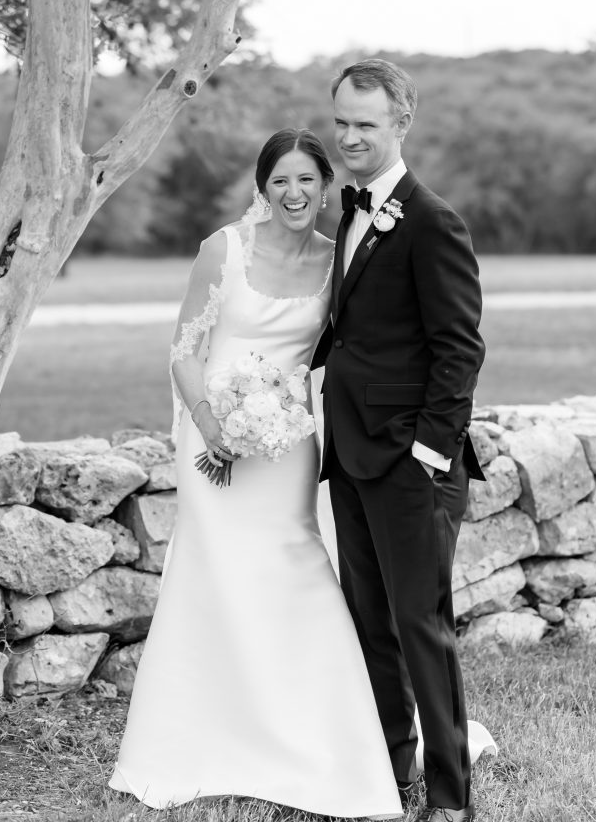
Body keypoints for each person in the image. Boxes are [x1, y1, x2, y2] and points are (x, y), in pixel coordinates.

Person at [109, 128, 403, 817]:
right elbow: (184, 351)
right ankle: (201, 738)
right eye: (280, 181)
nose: (294, 193)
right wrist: (213, 425)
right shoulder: (224, 249)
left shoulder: (338, 260)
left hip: (288, 444)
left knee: (297, 568)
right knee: (215, 573)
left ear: (326, 187)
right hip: (210, 438)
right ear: (262, 188)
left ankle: (321, 739)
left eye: (307, 180)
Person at [321, 60, 487, 822]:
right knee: (372, 625)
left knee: (422, 628)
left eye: (365, 124)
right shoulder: (350, 211)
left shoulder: (430, 221)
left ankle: (450, 799)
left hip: (411, 463)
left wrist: (428, 453)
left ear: (400, 124)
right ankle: (393, 775)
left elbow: (459, 350)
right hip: (350, 455)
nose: (350, 137)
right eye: (341, 123)